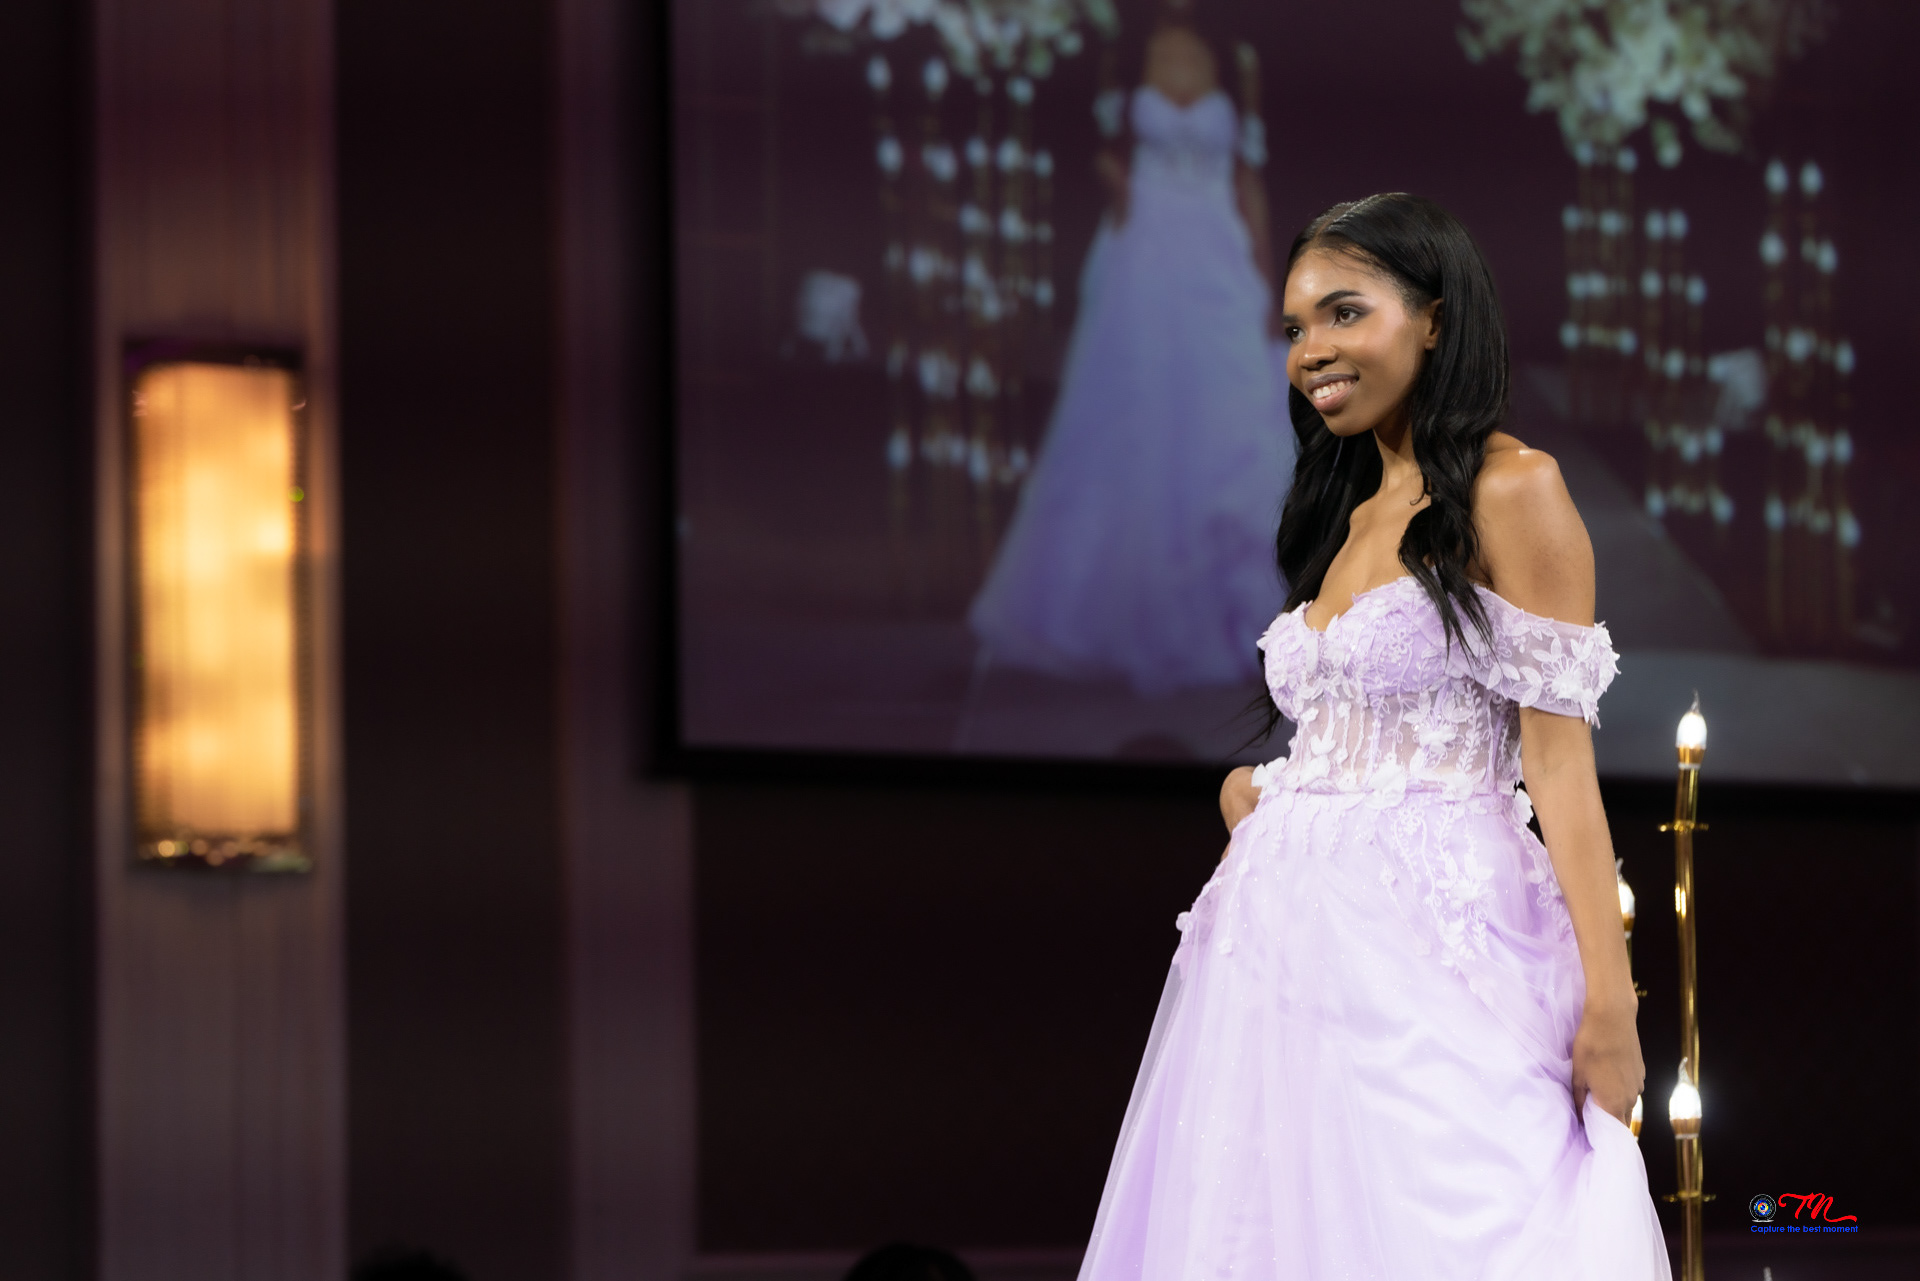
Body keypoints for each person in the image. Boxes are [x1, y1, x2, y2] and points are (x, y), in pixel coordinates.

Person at [1076, 194, 1670, 1279]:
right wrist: (1261, 795)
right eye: (1296, 327)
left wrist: (1611, 1002)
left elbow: (1558, 765)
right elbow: (1354, 729)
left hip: (1436, 947)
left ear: (1435, 318)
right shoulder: (1347, 514)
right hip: (1279, 954)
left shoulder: (1514, 488)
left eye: (1344, 313)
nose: (1312, 350)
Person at [966, 2, 1296, 697]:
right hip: (1142, 252)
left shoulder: (1236, 61)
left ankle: (1240, 614)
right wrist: (1111, 177)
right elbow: (1101, 146)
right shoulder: (1121, 56)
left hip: (1217, 252)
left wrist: (1272, 285)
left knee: (1232, 413)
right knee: (1132, 420)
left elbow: (1249, 180)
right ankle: (1112, 610)